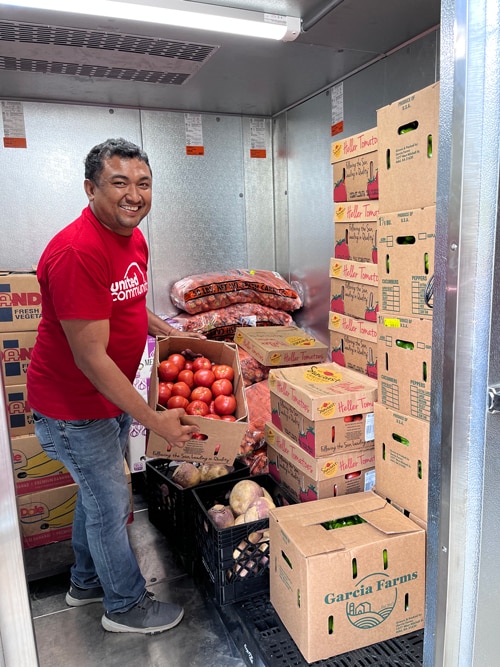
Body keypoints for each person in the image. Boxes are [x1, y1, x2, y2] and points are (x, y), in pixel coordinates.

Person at [26, 137, 204, 635]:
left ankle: (84, 583)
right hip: (74, 408)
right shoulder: (76, 252)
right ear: (90, 188)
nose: (134, 195)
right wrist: (154, 420)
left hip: (105, 402)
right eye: (119, 183)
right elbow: (90, 359)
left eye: (143, 184)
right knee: (111, 506)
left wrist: (171, 332)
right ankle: (123, 606)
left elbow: (128, 303)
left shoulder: (133, 237)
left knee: (97, 497)